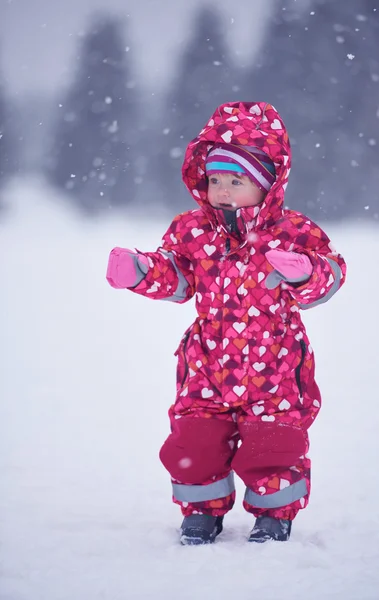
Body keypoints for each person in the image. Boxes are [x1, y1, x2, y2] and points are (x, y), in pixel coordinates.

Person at [106, 101, 347, 545]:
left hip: (274, 364)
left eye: (236, 181)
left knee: (273, 443)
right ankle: (201, 510)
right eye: (215, 179)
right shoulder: (193, 230)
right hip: (207, 363)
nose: (222, 190)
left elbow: (330, 276)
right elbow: (178, 278)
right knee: (194, 441)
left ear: (268, 184)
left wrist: (306, 272)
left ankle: (274, 514)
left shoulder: (294, 232)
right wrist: (142, 271)